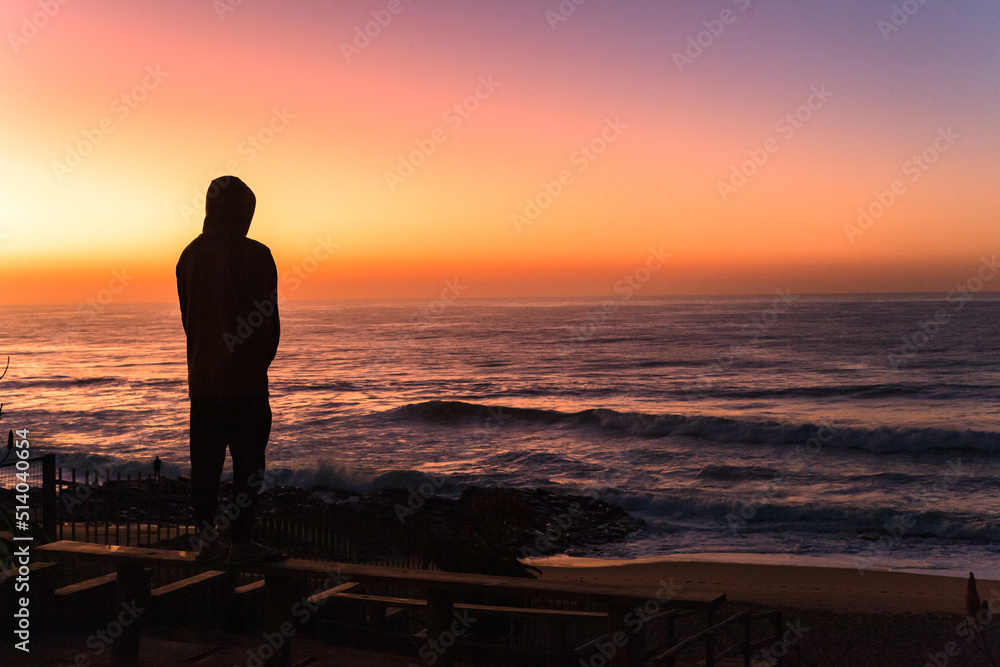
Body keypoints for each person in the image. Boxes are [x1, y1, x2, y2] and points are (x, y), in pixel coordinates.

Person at [176, 175, 284, 563]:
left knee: (205, 468)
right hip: (245, 385)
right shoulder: (257, 254)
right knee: (248, 466)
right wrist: (256, 364)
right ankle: (241, 541)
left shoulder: (188, 256)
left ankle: (208, 542)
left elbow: (190, 321)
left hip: (203, 382)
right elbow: (267, 325)